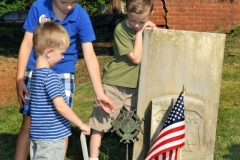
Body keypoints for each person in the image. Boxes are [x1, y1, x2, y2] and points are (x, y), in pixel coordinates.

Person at [15, 0, 115, 159]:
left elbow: (89, 56)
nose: (68, 6)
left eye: (73, 2)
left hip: (63, 71)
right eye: (64, 2)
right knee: (29, 121)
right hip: (36, 69)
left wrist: (99, 93)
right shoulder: (39, 7)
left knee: (62, 122)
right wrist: (20, 78)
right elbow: (27, 44)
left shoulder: (81, 15)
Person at [88, 0, 156, 159]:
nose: (137, 25)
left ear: (151, 14)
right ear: (127, 13)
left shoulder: (149, 28)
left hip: (136, 87)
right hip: (114, 85)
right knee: (101, 124)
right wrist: (140, 33)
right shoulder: (121, 29)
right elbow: (136, 58)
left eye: (142, 22)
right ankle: (92, 157)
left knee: (139, 124)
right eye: (133, 20)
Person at [29, 21, 91, 159]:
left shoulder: (35, 76)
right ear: (49, 52)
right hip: (52, 140)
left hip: (38, 137)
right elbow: (61, 106)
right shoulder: (50, 77)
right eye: (62, 53)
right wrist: (80, 123)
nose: (63, 57)